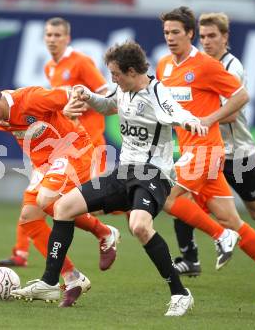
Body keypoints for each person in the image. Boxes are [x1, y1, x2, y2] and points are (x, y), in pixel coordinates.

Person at [11, 41, 208, 316]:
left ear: (130, 71)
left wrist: (190, 122)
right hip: (124, 172)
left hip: (152, 174)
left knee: (139, 226)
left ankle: (180, 293)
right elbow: (106, 105)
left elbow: (175, 112)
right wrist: (86, 94)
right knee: (63, 207)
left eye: (115, 74)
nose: (112, 79)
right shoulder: (124, 90)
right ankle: (49, 282)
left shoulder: (156, 92)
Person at [157, 6, 255, 300]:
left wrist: (209, 119)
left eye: (176, 32)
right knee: (232, 219)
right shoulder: (164, 66)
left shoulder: (205, 65)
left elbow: (241, 95)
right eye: (166, 32)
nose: (170, 37)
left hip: (207, 151)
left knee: (166, 197)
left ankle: (221, 238)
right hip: (190, 151)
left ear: (189, 34)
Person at [0, 79, 120, 307]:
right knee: (29, 219)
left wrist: (71, 104)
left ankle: (100, 234)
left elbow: (69, 92)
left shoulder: (30, 99)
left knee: (46, 200)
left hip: (73, 151)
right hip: (45, 165)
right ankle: (72, 277)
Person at [0, 17, 110, 268]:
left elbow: (104, 93)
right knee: (36, 198)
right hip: (62, 146)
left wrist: (80, 105)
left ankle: (126, 214)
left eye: (57, 35)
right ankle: (21, 252)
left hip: (86, 142)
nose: (52, 39)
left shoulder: (81, 61)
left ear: (67, 38)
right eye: (48, 35)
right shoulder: (50, 67)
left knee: (86, 203)